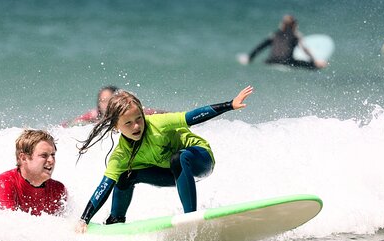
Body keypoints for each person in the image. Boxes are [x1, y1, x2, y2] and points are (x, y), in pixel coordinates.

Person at [75, 85, 254, 232]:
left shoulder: (159, 123)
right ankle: (115, 222)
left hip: (199, 160)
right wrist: (84, 219)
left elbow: (192, 116)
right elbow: (104, 187)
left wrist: (230, 104)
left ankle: (190, 218)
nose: (136, 126)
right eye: (128, 123)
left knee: (178, 158)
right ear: (116, 126)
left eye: (139, 119)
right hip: (171, 173)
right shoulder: (121, 155)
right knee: (125, 176)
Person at [0, 129, 67, 216]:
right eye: (44, 155)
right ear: (23, 158)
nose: (51, 160)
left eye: (53, 155)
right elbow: (8, 224)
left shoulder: (58, 190)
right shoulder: (4, 183)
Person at [239, 15, 327, 69]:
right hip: (286, 62)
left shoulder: (275, 34)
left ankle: (249, 58)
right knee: (312, 66)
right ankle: (317, 65)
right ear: (294, 25)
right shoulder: (295, 35)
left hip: (270, 61)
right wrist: (314, 62)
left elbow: (261, 46)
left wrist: (250, 57)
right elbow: (304, 49)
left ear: (282, 24)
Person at [61, 86, 164, 127]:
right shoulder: (95, 114)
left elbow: (152, 112)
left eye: (108, 100)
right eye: (102, 101)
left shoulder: (129, 110)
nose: (105, 105)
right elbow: (72, 122)